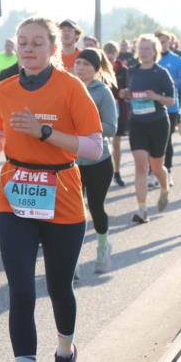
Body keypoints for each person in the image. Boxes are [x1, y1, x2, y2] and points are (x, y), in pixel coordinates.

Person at [0, 16, 103, 362]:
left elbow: (94, 148)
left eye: (37, 43)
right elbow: (2, 132)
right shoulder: (6, 87)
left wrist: (45, 134)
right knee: (20, 290)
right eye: (23, 42)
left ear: (53, 48)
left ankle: (65, 351)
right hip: (14, 193)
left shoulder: (72, 87)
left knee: (58, 285)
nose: (29, 49)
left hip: (61, 192)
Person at [120, 34, 176, 222]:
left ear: (155, 51)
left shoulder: (161, 73)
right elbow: (131, 94)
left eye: (147, 49)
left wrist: (156, 97)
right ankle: (142, 210)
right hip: (137, 123)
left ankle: (164, 187)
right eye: (141, 48)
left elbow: (171, 100)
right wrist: (126, 94)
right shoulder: (132, 71)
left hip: (158, 123)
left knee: (157, 167)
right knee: (141, 166)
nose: (144, 52)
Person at [73, 49, 119, 273]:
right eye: (78, 63)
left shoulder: (102, 92)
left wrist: (87, 125)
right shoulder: (68, 88)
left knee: (95, 207)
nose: (81, 68)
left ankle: (103, 247)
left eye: (87, 65)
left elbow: (111, 128)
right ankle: (73, 261)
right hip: (72, 161)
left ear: (96, 69)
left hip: (99, 161)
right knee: (73, 211)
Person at [155, 30, 181, 186]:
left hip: (170, 107)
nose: (162, 44)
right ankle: (153, 172)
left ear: (170, 42)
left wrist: (174, 81)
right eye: (159, 41)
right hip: (151, 106)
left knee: (166, 141)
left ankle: (167, 170)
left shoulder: (176, 60)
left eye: (164, 41)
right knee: (152, 142)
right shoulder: (148, 60)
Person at [104, 41, 132, 187]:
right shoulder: (99, 69)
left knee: (116, 142)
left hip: (118, 109)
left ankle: (117, 172)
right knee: (102, 143)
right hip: (101, 109)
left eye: (112, 52)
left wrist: (125, 93)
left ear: (116, 54)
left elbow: (129, 90)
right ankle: (104, 173)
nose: (109, 55)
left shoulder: (123, 70)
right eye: (107, 51)